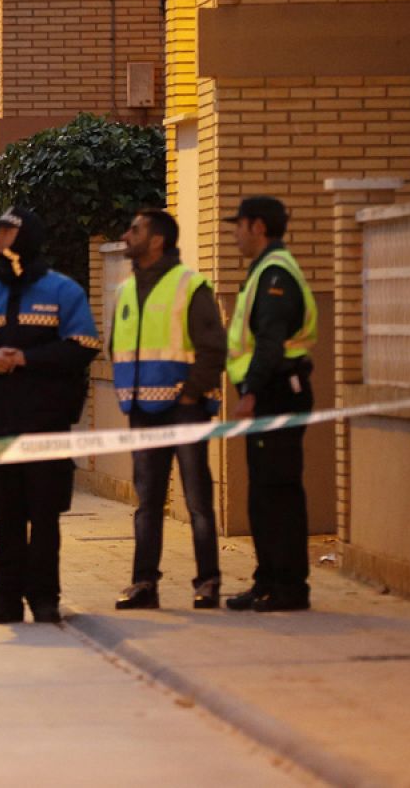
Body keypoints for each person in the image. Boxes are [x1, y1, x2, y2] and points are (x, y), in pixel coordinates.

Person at [0, 206, 100, 625]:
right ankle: (5, 600)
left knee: (45, 515)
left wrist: (27, 359)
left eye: (5, 231)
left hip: (46, 422)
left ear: (25, 236)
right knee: (7, 515)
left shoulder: (62, 290)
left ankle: (45, 599)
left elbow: (84, 345)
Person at [109, 210, 227, 611]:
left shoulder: (190, 286)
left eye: (135, 229)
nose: (126, 235)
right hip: (143, 408)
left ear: (157, 240)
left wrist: (191, 395)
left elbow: (213, 349)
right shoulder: (125, 290)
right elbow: (117, 346)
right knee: (147, 503)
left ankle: (207, 582)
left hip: (184, 410)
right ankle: (144, 584)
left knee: (197, 501)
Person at [223, 196, 318, 613]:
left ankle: (289, 587)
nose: (234, 234)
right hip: (272, 391)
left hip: (277, 391)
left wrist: (251, 392)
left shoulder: (275, 273)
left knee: (278, 492)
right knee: (264, 492)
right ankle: (267, 581)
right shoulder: (264, 270)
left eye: (238, 225)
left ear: (257, 227)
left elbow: (270, 340)